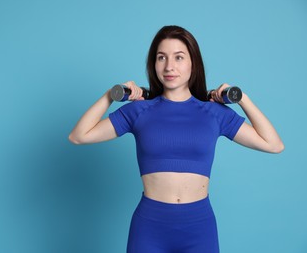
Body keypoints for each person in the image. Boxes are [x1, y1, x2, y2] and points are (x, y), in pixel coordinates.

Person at [68, 25, 284, 253]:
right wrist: (111, 95)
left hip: (199, 227)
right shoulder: (139, 111)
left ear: (193, 63)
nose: (169, 66)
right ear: (154, 64)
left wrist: (241, 98)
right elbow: (79, 136)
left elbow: (273, 144)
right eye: (161, 58)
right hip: (149, 227)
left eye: (179, 57)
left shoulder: (214, 113)